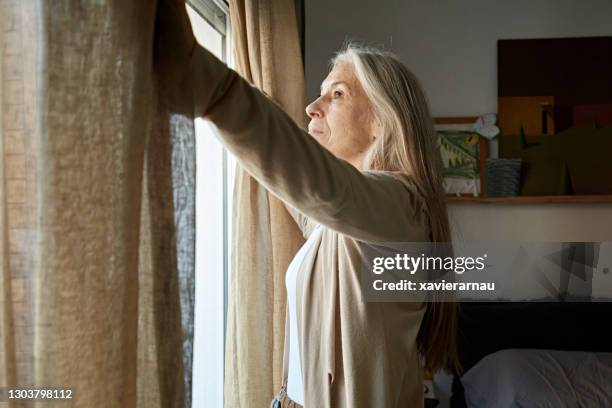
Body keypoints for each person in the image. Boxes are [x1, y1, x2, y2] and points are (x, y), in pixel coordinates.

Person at [155, 1, 459, 407]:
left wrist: (216, 89)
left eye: (336, 94)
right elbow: (303, 190)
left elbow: (318, 187)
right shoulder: (351, 222)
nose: (312, 108)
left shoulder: (402, 205)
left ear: (381, 122)